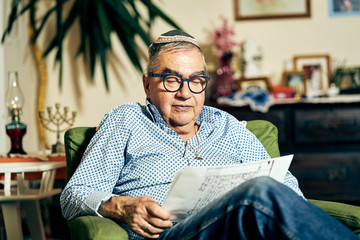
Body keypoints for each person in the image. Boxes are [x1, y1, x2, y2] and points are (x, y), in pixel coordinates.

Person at [60, 30, 358, 240]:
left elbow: (288, 190)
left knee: (266, 189)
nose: (185, 94)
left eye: (196, 81)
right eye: (171, 79)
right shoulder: (126, 120)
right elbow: (73, 196)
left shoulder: (226, 125)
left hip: (242, 228)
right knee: (259, 191)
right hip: (172, 234)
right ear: (147, 84)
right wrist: (121, 206)